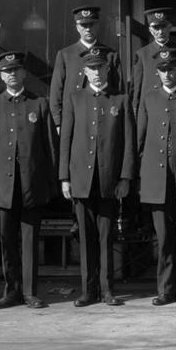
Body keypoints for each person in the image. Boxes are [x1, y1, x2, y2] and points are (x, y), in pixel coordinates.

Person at [60, 47, 135, 306]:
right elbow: (66, 139)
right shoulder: (74, 98)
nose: (95, 72)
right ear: (85, 71)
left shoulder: (120, 100)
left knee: (106, 236)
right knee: (85, 236)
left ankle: (107, 290)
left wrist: (125, 177)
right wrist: (64, 178)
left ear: (107, 69)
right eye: (91, 68)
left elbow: (127, 142)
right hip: (81, 179)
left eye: (100, 68)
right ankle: (87, 290)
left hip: (108, 180)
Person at [0, 51, 57, 311]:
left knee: (29, 240)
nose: (11, 75)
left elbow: (50, 148)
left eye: (16, 70)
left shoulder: (39, 104)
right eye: (7, 71)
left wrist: (52, 183)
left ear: (24, 73)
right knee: (6, 240)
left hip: (31, 185)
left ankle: (30, 292)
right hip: (3, 188)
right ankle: (11, 291)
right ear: (0, 76)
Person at [136, 48, 176, 306]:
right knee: (163, 237)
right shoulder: (149, 99)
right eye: (163, 70)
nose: (167, 73)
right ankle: (165, 289)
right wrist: (138, 177)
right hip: (156, 177)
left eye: (171, 69)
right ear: (157, 72)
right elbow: (140, 140)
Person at [50, 5, 124, 129]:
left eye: (91, 25)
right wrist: (58, 122)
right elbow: (57, 90)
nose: (88, 29)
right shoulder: (66, 55)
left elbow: (119, 89)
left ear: (98, 25)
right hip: (73, 119)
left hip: (103, 117)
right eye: (84, 25)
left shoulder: (110, 55)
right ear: (77, 27)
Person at [131, 7, 176, 115]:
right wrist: (136, 111)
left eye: (163, 26)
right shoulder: (142, 54)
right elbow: (137, 88)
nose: (160, 31)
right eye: (156, 27)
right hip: (151, 110)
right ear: (150, 30)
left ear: (170, 27)